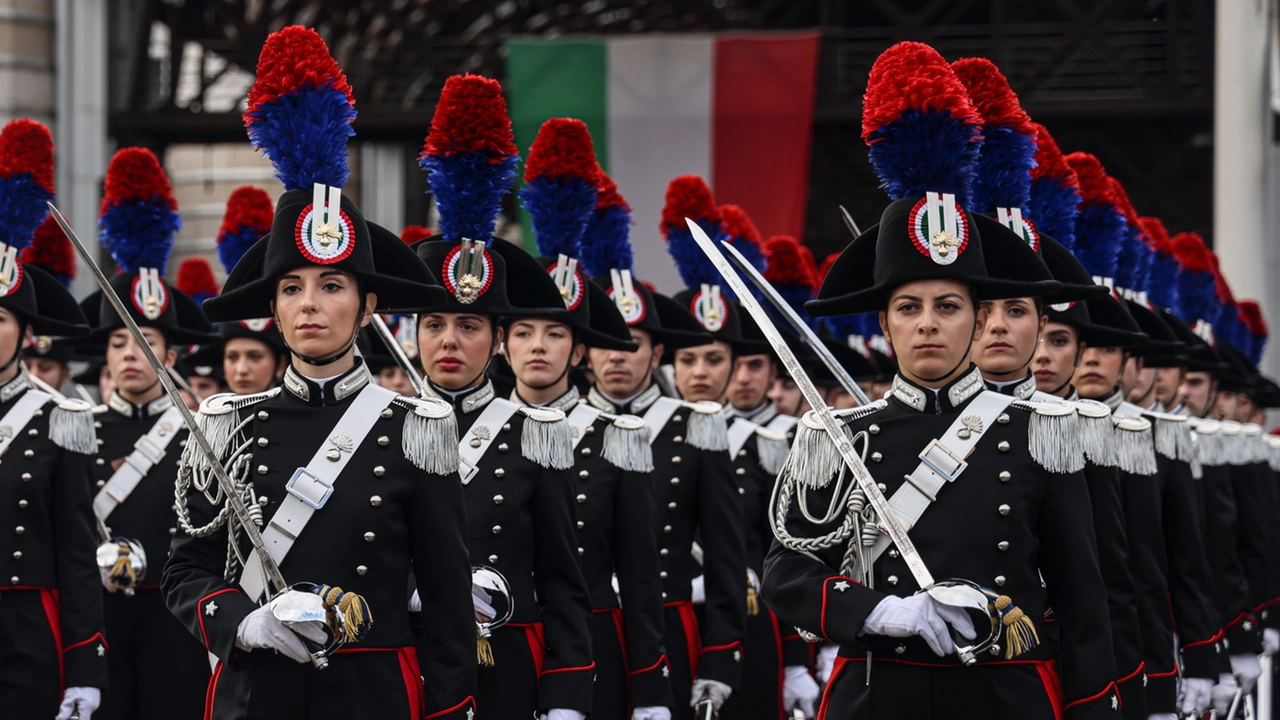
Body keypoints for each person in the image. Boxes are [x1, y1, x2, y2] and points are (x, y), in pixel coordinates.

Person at [763, 42, 1117, 719]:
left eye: (948, 306)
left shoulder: (1045, 434)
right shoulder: (835, 437)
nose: (928, 324)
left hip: (1006, 695)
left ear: (979, 317)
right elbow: (786, 573)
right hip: (874, 693)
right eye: (908, 307)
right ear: (886, 323)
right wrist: (883, 610)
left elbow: (1083, 600)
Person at [162, 26, 476, 719]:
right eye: (293, 287)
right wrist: (244, 624)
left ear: (368, 307)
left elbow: (450, 601)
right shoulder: (226, 424)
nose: (311, 304)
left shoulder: (418, 428)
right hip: (255, 691)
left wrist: (452, 708)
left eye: (333, 287)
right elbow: (184, 571)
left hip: (375, 697)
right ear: (272, 307)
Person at [415, 73, 594, 720]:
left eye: (469, 326)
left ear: (497, 341)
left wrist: (568, 697)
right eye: (434, 324)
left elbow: (565, 583)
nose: (449, 341)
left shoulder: (533, 431)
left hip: (506, 671)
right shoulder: (379, 427)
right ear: (414, 337)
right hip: (406, 669)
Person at [512, 121, 673, 720]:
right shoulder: (468, 435)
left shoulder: (616, 441)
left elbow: (639, 578)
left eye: (556, 334)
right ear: (504, 344)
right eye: (524, 332)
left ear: (579, 352)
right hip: (500, 644)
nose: (538, 347)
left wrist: (651, 690)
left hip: (593, 648)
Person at [76, 146, 215, 720]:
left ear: (172, 354)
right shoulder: (77, 430)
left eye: (146, 343)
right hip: (99, 618)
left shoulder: (201, 436)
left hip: (174, 622)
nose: (131, 355)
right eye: (118, 342)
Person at [0, 118, 106, 720]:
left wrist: (85, 666)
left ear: (28, 334)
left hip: (26, 635)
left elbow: (76, 555)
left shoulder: (59, 418)